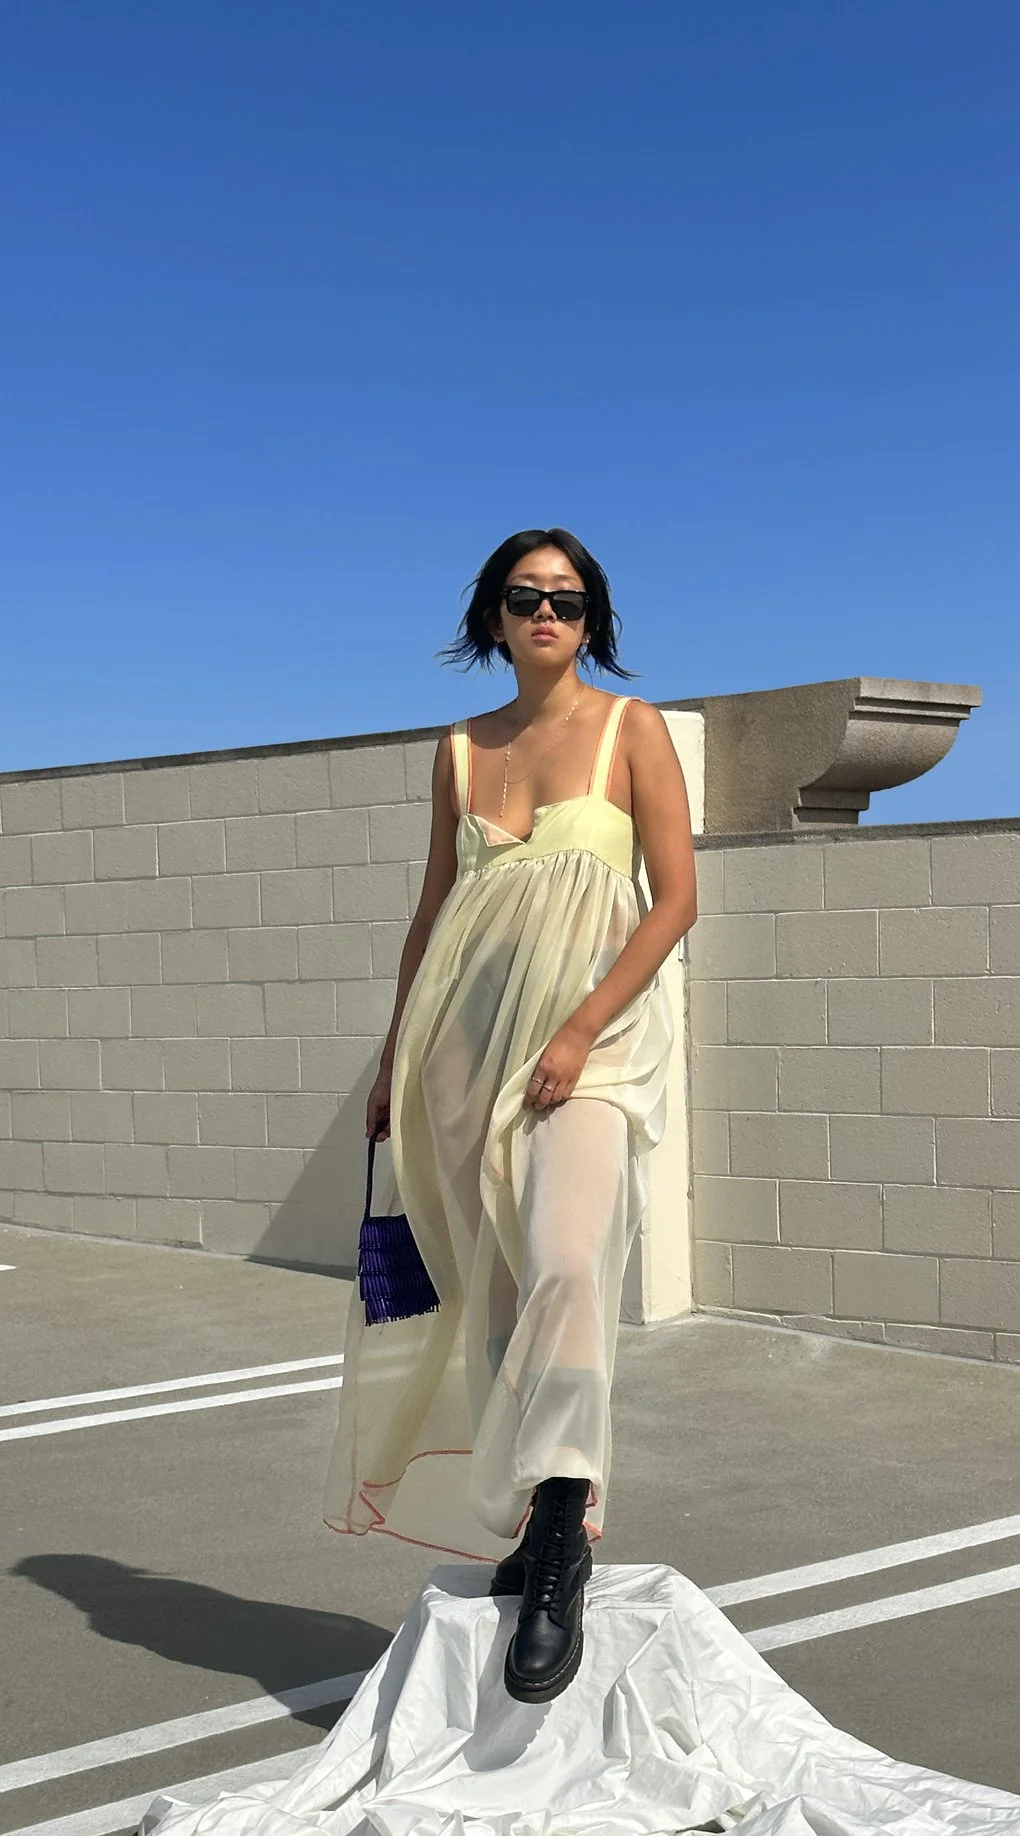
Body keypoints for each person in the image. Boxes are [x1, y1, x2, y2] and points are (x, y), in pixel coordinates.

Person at [323, 528, 697, 1703]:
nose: (549, 613)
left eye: (570, 599)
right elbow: (433, 912)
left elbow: (677, 899)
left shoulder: (631, 732)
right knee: (492, 1301)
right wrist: (394, 1058)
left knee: (564, 1264)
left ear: (594, 621)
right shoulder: (457, 747)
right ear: (494, 616)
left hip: (589, 1053)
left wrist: (580, 1029)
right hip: (463, 1053)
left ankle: (559, 1536)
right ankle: (539, 1517)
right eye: (528, 597)